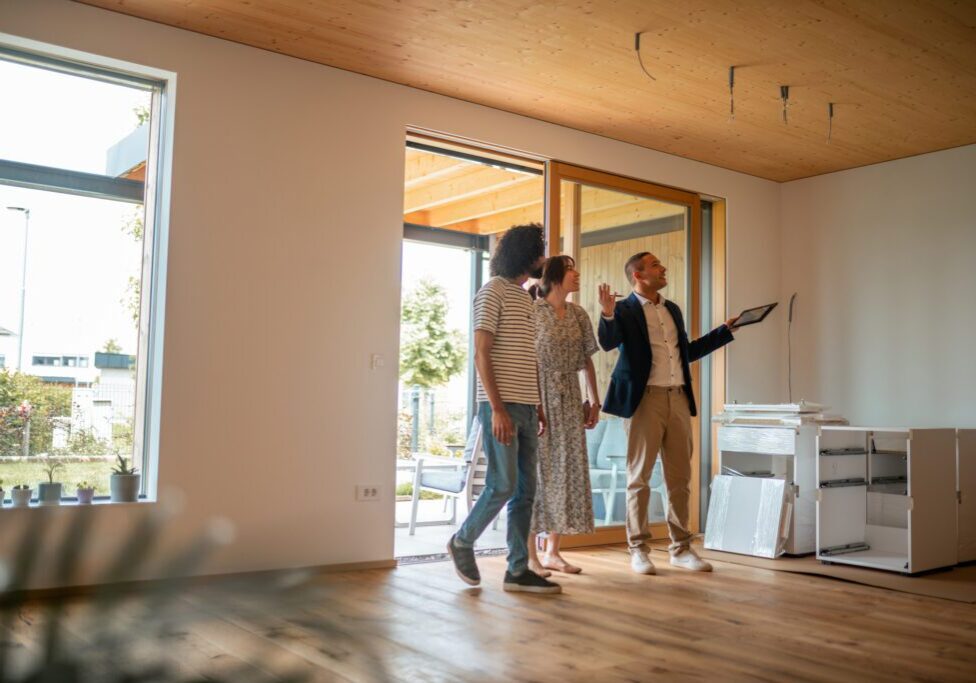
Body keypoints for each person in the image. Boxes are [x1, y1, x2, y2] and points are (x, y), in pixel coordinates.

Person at [598, 252, 739, 575]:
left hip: (677, 398)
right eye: (656, 265)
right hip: (643, 401)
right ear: (638, 275)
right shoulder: (623, 309)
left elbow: (685, 352)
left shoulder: (671, 308)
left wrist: (723, 331)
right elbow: (607, 343)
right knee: (639, 479)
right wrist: (607, 314)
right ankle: (638, 550)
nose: (663, 269)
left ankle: (681, 549)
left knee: (680, 479)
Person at [446, 223, 561, 594]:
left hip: (527, 406)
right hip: (502, 407)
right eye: (539, 251)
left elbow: (526, 358)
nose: (544, 258)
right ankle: (463, 541)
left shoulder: (525, 299)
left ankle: (517, 569)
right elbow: (481, 353)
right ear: (524, 255)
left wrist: (538, 404)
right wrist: (496, 408)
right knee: (502, 484)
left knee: (527, 491)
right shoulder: (491, 291)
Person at [527, 255, 601, 577]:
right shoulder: (532, 311)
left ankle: (553, 552)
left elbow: (587, 359)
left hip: (570, 395)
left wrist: (594, 400)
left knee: (567, 470)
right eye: (571, 269)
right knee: (538, 473)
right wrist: (534, 401)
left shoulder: (578, 313)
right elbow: (526, 359)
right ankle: (529, 554)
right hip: (538, 394)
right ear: (555, 276)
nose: (578, 274)